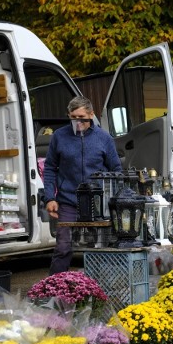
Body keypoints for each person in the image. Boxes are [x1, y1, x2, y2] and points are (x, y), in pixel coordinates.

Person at [43, 96, 122, 275]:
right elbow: (49, 168)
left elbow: (116, 170)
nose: (77, 122)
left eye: (81, 117)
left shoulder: (104, 138)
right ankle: (52, 293)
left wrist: (112, 199)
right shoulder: (59, 137)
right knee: (63, 248)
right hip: (68, 201)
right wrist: (49, 197)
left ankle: (100, 290)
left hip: (97, 205)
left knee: (99, 249)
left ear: (91, 115)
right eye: (72, 117)